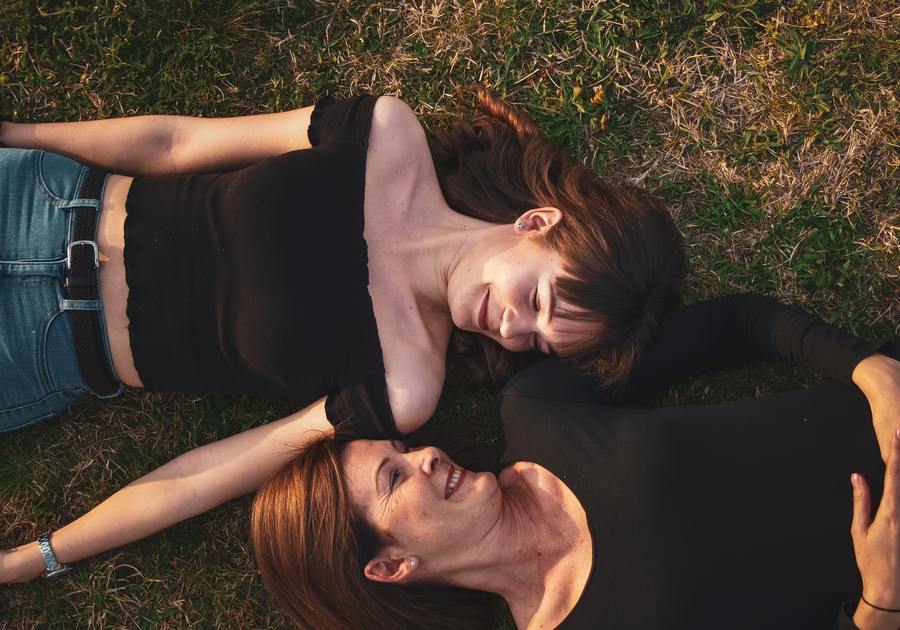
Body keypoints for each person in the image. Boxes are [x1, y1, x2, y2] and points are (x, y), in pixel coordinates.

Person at [0, 88, 684, 438]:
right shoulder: (384, 135)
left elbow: (223, 467)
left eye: (534, 341)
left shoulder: (409, 384)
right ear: (537, 225)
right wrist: (14, 136)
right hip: (44, 201)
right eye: (537, 301)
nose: (512, 329)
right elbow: (177, 142)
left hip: (42, 349)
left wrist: (44, 556)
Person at [250, 323, 900, 630]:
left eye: (402, 447)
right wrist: (881, 602)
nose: (424, 456)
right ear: (390, 566)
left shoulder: (537, 409)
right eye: (395, 479)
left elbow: (732, 328)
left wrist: (869, 370)